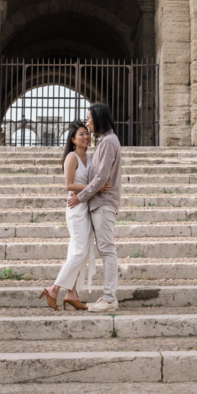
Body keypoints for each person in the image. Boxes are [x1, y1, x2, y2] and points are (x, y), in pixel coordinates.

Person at [41, 120, 100, 310]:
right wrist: (94, 187)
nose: (86, 137)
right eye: (81, 134)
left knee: (77, 251)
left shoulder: (91, 158)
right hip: (75, 208)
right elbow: (68, 185)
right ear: (73, 139)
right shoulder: (71, 158)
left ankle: (72, 294)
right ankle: (54, 288)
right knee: (80, 251)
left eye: (87, 133)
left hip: (87, 206)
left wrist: (92, 188)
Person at [70, 102, 123, 312]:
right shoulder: (103, 142)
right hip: (98, 203)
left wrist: (80, 196)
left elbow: (102, 176)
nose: (87, 122)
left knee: (108, 251)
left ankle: (109, 299)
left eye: (89, 118)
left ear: (98, 118)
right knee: (104, 249)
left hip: (104, 203)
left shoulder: (109, 142)